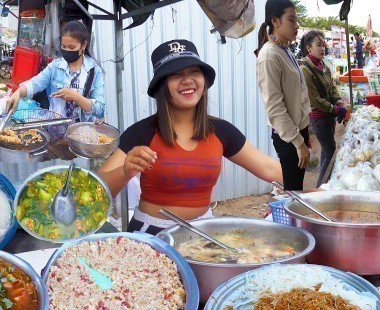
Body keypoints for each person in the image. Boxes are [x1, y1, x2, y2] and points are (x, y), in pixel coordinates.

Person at [98, 39, 282, 235]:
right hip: (151, 233)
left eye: (194, 72)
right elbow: (99, 190)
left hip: (202, 233)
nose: (187, 80)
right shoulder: (141, 132)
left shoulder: (221, 131)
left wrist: (314, 191)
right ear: (162, 85)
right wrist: (126, 171)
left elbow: (269, 168)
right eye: (176, 74)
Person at [6, 20, 105, 138]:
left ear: (83, 45)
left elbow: (99, 109)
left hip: (82, 137)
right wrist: (18, 92)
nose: (67, 50)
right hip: (56, 133)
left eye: (72, 47)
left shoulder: (94, 71)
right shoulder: (55, 67)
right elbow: (35, 83)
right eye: (64, 46)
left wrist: (75, 97)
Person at [256, 0, 310, 191]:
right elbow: (275, 108)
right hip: (288, 137)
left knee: (297, 189)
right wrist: (298, 142)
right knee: (293, 193)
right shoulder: (269, 55)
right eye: (291, 20)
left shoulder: (284, 49)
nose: (296, 26)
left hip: (298, 131)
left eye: (296, 20)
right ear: (275, 21)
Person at [299, 30, 346, 187]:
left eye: (324, 44)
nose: (322, 48)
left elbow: (332, 86)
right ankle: (321, 187)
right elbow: (315, 100)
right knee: (330, 150)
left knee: (327, 151)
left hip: (329, 116)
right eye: (318, 45)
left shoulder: (323, 64)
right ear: (308, 48)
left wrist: (338, 101)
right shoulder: (305, 69)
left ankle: (323, 183)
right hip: (319, 117)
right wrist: (335, 109)